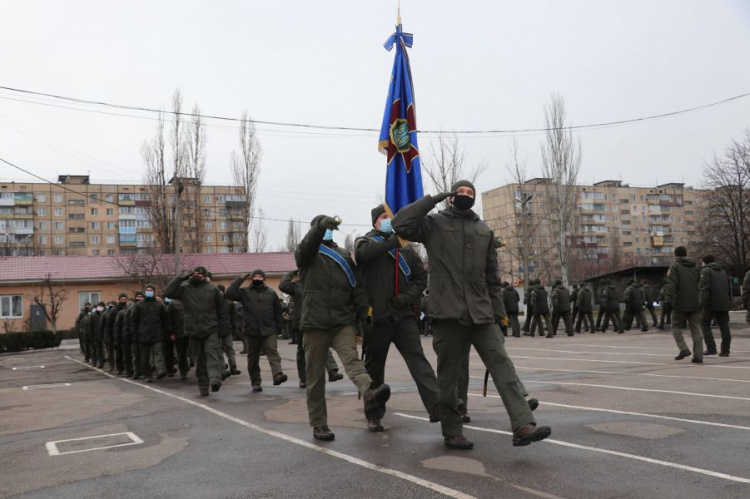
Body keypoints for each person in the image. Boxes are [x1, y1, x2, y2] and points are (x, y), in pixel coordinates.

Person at [392, 181, 550, 449]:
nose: (465, 196)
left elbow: (492, 278)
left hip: (481, 312)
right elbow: (400, 224)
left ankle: (523, 425)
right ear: (452, 197)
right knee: (449, 377)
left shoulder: (483, 230)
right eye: (460, 192)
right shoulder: (434, 224)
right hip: (447, 313)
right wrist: (433, 199)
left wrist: (500, 316)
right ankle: (453, 431)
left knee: (502, 366)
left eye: (470, 193)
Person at [296, 215, 391, 441]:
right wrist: (320, 226)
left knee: (352, 361)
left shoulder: (343, 255)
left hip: (342, 321)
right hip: (315, 323)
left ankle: (369, 393)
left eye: (330, 229)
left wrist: (363, 313)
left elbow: (356, 287)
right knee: (316, 377)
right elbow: (307, 246)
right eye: (325, 229)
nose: (329, 232)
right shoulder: (307, 254)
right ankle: (319, 424)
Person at [355, 205, 440, 430]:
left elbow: (421, 278)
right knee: (374, 370)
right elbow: (364, 255)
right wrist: (393, 241)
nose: (388, 220)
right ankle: (374, 414)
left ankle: (437, 406)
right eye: (384, 218)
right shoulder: (365, 242)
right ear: (375, 222)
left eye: (391, 217)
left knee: (419, 362)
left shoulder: (407, 249)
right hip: (377, 318)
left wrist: (407, 297)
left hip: (403, 317)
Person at [164, 266, 228, 396]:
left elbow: (221, 311)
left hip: (210, 328)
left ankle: (215, 380)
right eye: (195, 274)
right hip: (193, 330)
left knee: (212, 354)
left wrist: (222, 329)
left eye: (200, 274)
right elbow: (168, 292)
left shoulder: (212, 289)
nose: (197, 276)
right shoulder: (185, 288)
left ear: (205, 276)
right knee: (199, 359)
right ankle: (203, 385)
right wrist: (182, 277)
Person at [279, 270, 343, 389]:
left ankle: (332, 372)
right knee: (302, 351)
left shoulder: (317, 284)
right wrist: (290, 273)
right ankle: (303, 378)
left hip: (317, 320)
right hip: (301, 323)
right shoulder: (295, 286)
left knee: (323, 345)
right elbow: (283, 286)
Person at [226, 270, 287, 391]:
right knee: (253, 357)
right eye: (255, 276)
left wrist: (279, 328)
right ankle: (255, 381)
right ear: (251, 278)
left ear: (264, 279)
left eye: (260, 276)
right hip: (251, 330)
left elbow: (278, 311)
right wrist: (240, 279)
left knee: (272, 351)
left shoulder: (271, 293)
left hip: (269, 329)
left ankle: (277, 375)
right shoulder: (245, 292)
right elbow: (229, 293)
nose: (257, 278)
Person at [666, 246, 703, 364]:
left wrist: (668, 299)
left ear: (676, 255)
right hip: (694, 302)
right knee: (696, 329)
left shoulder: (675, 266)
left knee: (675, 326)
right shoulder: (695, 267)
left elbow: (672, 284)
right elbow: (700, 285)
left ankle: (684, 349)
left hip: (680, 303)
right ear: (686, 254)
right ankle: (698, 355)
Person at [131, 283, 167, 383]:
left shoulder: (159, 305)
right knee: (144, 358)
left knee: (158, 354)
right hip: (143, 335)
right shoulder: (139, 305)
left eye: (151, 290)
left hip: (157, 334)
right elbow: (134, 321)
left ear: (154, 292)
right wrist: (135, 335)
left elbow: (165, 320)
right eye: (148, 290)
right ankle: (148, 375)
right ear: (145, 292)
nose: (149, 292)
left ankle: (160, 370)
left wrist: (164, 332)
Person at [699, 255, 732, 357]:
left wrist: (702, 302)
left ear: (704, 262)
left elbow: (704, 288)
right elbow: (728, 287)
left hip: (711, 303)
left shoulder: (706, 271)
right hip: (724, 302)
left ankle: (711, 348)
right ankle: (725, 350)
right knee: (724, 326)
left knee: (704, 323)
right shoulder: (722, 271)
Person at [215, 284, 241, 378]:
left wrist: (234, 329)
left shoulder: (229, 302)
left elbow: (233, 317)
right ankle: (222, 368)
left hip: (227, 329)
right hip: (216, 330)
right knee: (218, 350)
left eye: (220, 292)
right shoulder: (212, 303)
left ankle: (233, 367)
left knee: (229, 348)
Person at [164, 296, 190, 379]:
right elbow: (168, 319)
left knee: (189, 352)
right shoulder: (173, 303)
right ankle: (182, 371)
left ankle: (186, 369)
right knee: (181, 353)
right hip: (178, 332)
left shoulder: (190, 300)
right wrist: (171, 333)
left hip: (190, 331)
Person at [88, 301, 106, 368]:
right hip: (96, 335)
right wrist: (91, 335)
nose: (100, 307)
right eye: (99, 306)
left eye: (102, 306)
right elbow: (90, 326)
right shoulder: (93, 315)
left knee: (104, 350)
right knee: (98, 350)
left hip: (104, 335)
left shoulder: (105, 314)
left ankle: (102, 361)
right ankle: (97, 362)